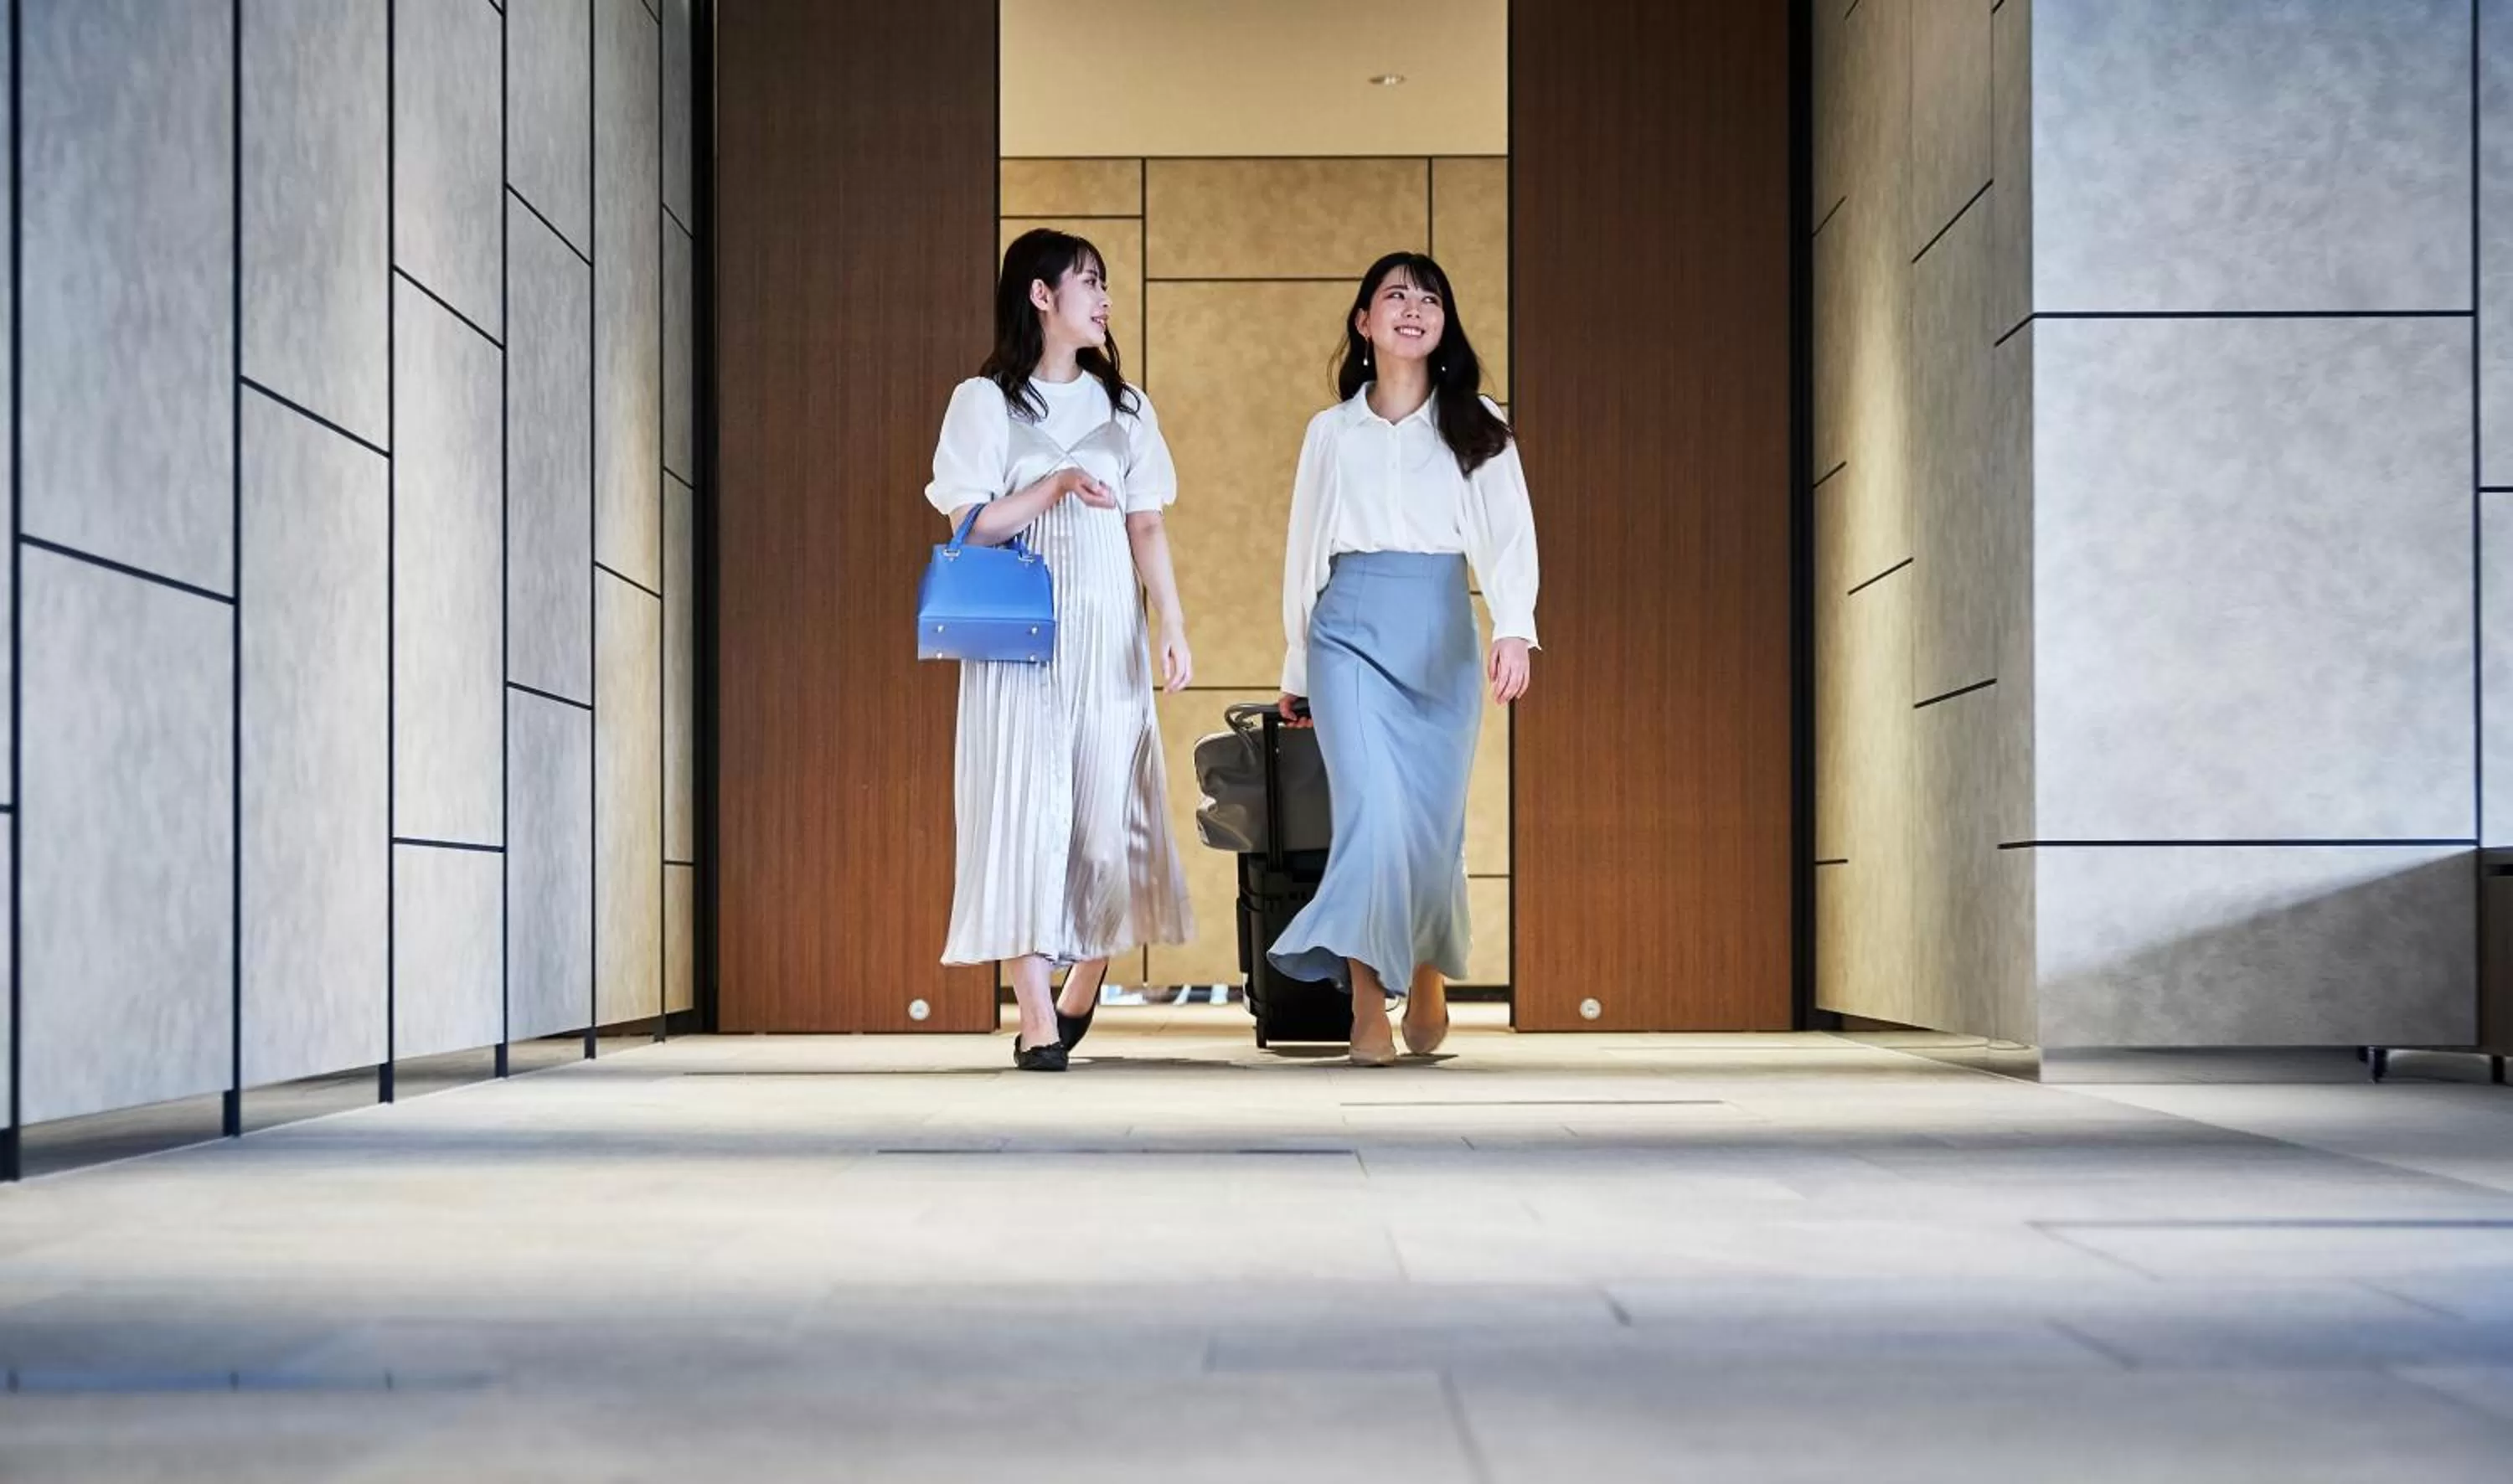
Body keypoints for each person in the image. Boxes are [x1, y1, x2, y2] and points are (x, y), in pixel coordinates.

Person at [925, 229, 1195, 1072]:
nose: (1103, 296)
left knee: (1105, 823)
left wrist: (1172, 622)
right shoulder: (986, 402)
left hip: (1108, 626)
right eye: (1088, 282)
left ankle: (1087, 978)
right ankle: (1037, 1012)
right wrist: (1051, 486)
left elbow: (1145, 521)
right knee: (1024, 812)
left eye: (1105, 282)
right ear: (1040, 296)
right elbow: (968, 523)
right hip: (1021, 641)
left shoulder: (1128, 407)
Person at [1268, 250, 1540, 1068]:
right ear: (1364, 322)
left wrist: (1514, 626)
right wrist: (1295, 665)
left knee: (1429, 825)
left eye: (1430, 297)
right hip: (1347, 630)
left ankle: (1425, 968)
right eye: (1395, 295)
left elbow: (1510, 532)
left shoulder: (1478, 421)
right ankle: (1362, 1001)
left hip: (1440, 632)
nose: (1413, 308)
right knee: (1371, 816)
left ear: (1445, 322)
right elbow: (1303, 549)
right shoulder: (1331, 433)